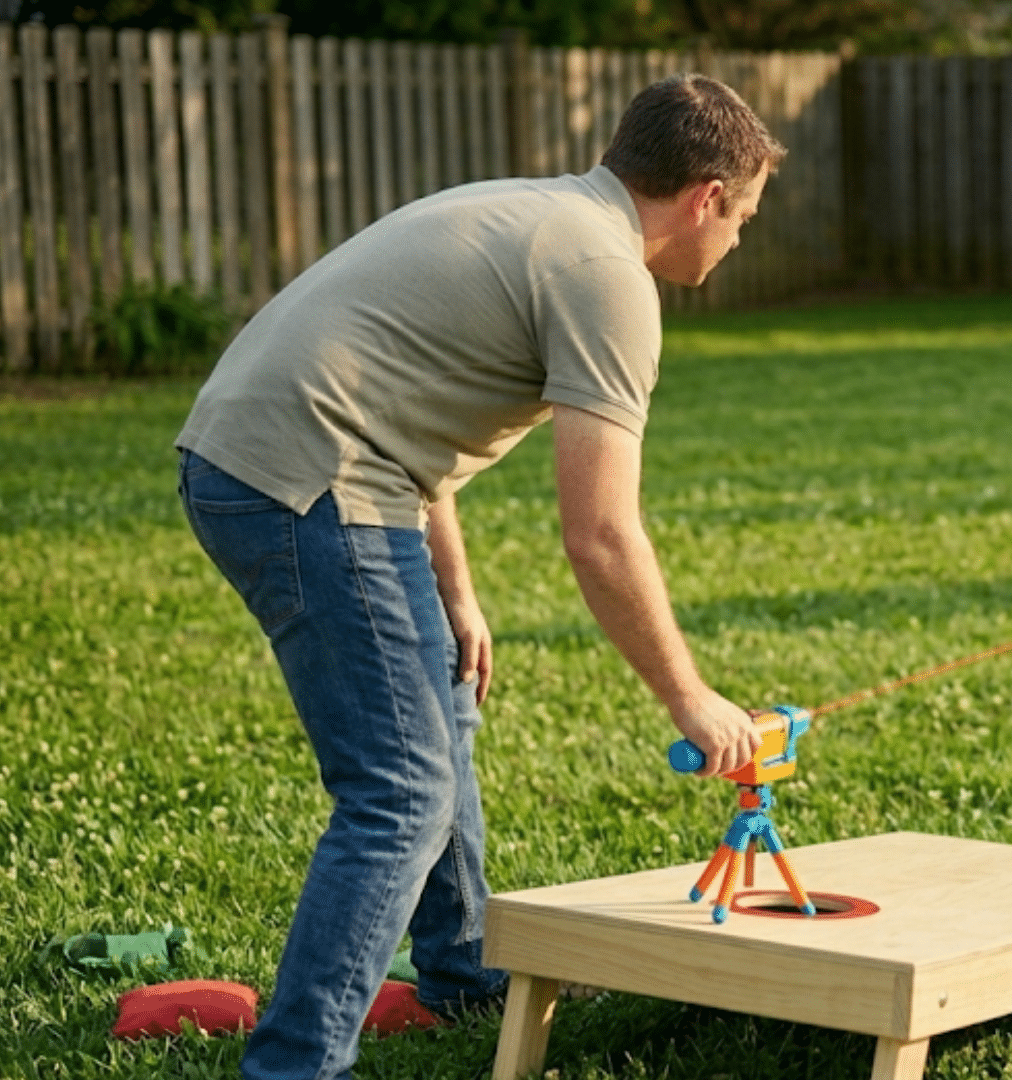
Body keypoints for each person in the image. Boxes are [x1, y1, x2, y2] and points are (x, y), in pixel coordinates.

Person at [175, 74, 778, 1080]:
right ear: (707, 194)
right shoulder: (608, 276)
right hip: (307, 481)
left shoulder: (537, 211)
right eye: (745, 216)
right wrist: (691, 698)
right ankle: (295, 1065)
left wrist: (454, 589)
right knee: (400, 790)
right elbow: (600, 534)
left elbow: (403, 399)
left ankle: (460, 969)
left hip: (277, 459)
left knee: (437, 715)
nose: (740, 238)